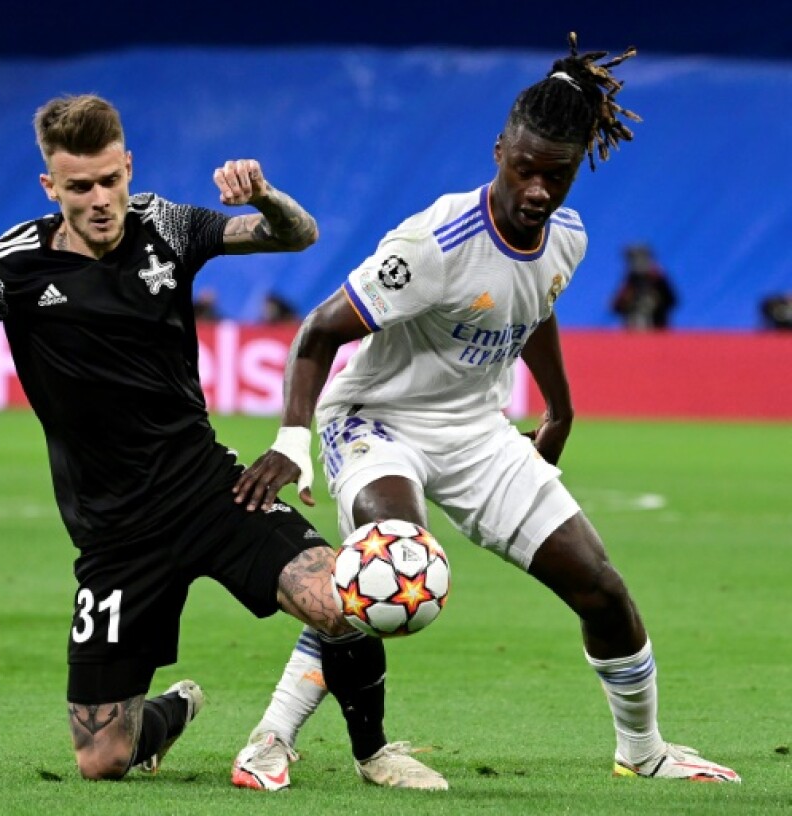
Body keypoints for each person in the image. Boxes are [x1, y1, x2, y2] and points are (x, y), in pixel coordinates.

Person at [0, 93, 433, 787]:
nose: (100, 199)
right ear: (51, 186)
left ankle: (374, 752)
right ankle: (172, 712)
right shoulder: (10, 267)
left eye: (110, 179)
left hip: (210, 492)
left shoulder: (169, 225)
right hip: (114, 536)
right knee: (101, 760)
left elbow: (295, 235)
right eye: (79, 186)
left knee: (344, 599)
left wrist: (269, 196)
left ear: (128, 166)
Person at [229, 35, 740, 790]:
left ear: (575, 169)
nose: (537, 189)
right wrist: (291, 440)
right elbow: (318, 332)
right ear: (499, 149)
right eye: (525, 168)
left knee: (601, 588)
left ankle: (644, 750)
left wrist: (561, 408)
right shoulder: (432, 244)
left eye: (556, 175)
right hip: (377, 418)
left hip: (476, 431)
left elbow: (532, 309)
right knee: (390, 564)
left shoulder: (566, 237)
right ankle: (269, 740)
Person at [610, 243, 676, 329]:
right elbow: (616, 306)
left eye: (641, 258)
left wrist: (655, 301)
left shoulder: (658, 279)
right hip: (633, 330)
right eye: (633, 259)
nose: (638, 262)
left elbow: (671, 301)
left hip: (657, 328)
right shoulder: (630, 280)